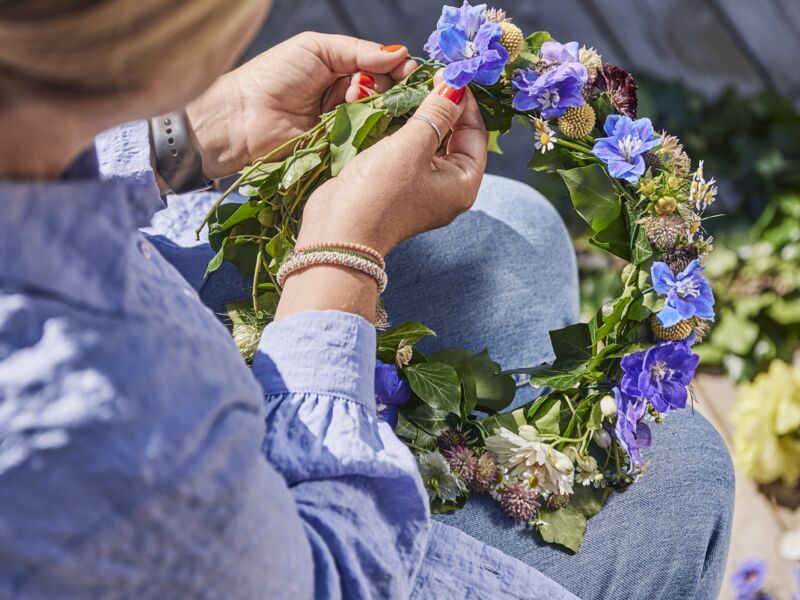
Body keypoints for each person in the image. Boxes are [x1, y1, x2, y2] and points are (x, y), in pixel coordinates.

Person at [0, 1, 733, 599]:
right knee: (685, 476)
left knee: (517, 230)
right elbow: (322, 574)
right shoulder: (76, 430)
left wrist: (194, 135)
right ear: (139, 43)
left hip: (159, 310)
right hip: (301, 541)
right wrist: (340, 258)